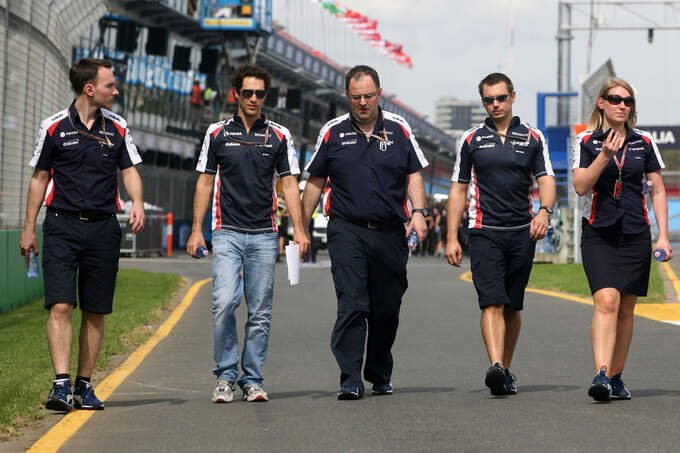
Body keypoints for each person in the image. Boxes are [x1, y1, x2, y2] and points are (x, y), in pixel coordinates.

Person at [19, 58, 145, 412]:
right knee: (60, 304)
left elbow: (130, 169)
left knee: (94, 310)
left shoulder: (118, 127)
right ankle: (60, 385)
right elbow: (39, 178)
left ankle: (84, 386)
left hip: (104, 228)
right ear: (90, 88)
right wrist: (29, 227)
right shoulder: (54, 126)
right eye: (110, 85)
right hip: (61, 225)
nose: (115, 91)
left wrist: (137, 201)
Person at [301, 65, 429, 400]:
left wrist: (418, 213)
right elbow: (315, 182)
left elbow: (414, 173)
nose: (362, 103)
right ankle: (350, 378)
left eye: (368, 96)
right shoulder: (333, 132)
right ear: (347, 97)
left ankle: (378, 371)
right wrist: (300, 227)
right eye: (356, 97)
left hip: (389, 232)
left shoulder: (399, 130)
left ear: (379, 94)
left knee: (386, 308)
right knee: (353, 302)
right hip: (346, 229)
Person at [187, 63, 310, 403]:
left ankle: (252, 378)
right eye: (247, 93)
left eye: (259, 93)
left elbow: (288, 184)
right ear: (235, 95)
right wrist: (197, 231)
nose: (254, 98)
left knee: (260, 311)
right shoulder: (216, 133)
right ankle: (226, 376)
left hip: (265, 234)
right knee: (224, 302)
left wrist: (300, 229)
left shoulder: (280, 135)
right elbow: (205, 180)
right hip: (226, 231)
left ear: (265, 96)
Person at [446, 72, 555, 396]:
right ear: (483, 102)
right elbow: (458, 189)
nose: (495, 104)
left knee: (512, 306)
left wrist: (544, 212)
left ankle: (505, 370)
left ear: (512, 97)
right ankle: (495, 365)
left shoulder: (533, 137)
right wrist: (452, 236)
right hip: (484, 233)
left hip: (523, 232)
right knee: (491, 302)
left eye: (500, 98)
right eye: (488, 100)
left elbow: (546, 180)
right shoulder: (471, 139)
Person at [572, 77, 671, 402]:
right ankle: (600, 374)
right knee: (607, 302)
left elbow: (657, 190)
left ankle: (615, 376)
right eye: (615, 99)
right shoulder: (586, 141)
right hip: (599, 232)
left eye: (627, 101)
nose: (622, 105)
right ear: (601, 103)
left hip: (635, 233)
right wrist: (604, 155)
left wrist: (663, 238)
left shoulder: (644, 142)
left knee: (626, 309)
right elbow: (581, 186)